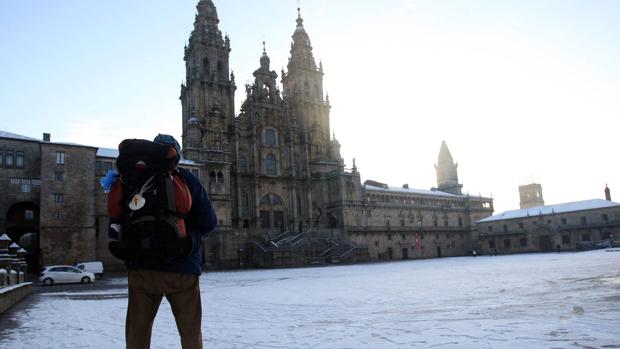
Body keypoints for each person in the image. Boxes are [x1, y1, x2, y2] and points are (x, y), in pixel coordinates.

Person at [119, 134, 217, 349]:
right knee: (190, 335)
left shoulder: (130, 179)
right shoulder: (186, 178)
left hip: (141, 269)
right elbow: (210, 222)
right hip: (182, 269)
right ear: (175, 155)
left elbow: (117, 220)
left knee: (137, 336)